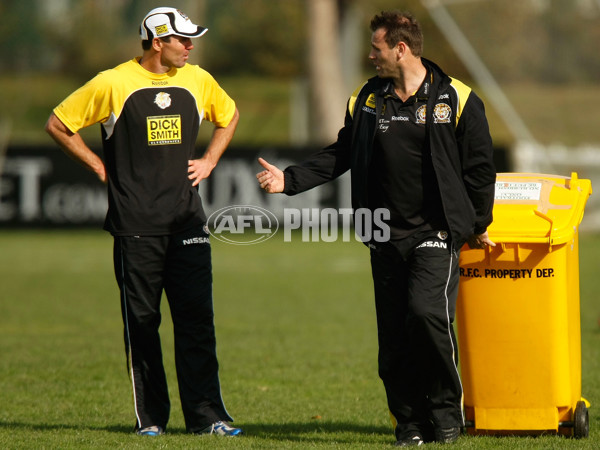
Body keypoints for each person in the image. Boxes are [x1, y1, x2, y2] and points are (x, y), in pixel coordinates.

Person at [257, 10, 496, 447]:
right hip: (382, 232)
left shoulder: (456, 98)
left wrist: (477, 224)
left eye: (376, 48)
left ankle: (444, 413)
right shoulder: (367, 99)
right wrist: (288, 180)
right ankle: (408, 423)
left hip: (436, 234)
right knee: (394, 336)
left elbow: (480, 169)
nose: (371, 55)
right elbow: (340, 154)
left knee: (427, 317)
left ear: (400, 49)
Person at [45, 7, 242, 438]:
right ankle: (150, 419)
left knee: (197, 323)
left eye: (192, 40)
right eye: (182, 40)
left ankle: (207, 417)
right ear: (158, 42)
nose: (190, 47)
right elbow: (58, 124)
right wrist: (98, 165)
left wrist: (209, 159)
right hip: (135, 224)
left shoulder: (198, 79)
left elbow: (229, 116)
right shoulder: (112, 82)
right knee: (142, 324)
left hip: (188, 222)